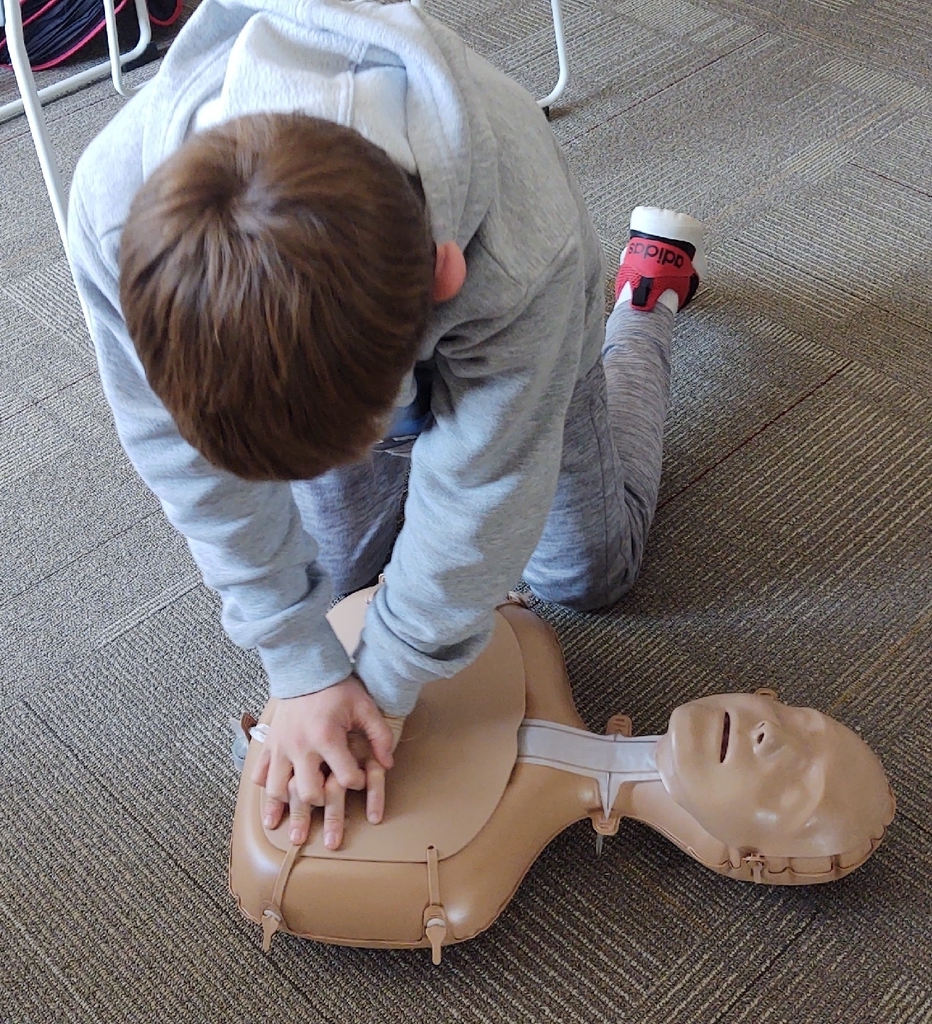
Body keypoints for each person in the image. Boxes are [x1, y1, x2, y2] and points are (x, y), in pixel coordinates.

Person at [68, 0, 705, 852]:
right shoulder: (112, 211)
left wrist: (398, 674)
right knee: (343, 597)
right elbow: (179, 461)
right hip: (362, 336)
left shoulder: (521, 239)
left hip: (526, 331)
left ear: (443, 276)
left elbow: (487, 477)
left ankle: (640, 306)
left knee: (590, 574)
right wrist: (299, 668)